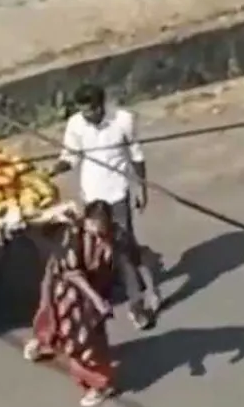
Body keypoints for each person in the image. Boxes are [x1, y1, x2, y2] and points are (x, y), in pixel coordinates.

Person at [50, 83, 161, 330]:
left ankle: (137, 304)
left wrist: (140, 188)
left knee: (123, 249)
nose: (87, 117)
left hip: (118, 193)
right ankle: (104, 296)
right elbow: (70, 157)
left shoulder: (123, 120)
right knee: (97, 249)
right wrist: (55, 169)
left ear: (101, 105)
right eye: (83, 112)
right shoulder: (76, 125)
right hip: (92, 195)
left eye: (91, 111)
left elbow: (136, 155)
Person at [23, 200, 117, 407]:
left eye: (102, 224)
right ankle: (45, 342)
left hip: (90, 295)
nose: (98, 228)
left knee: (86, 342)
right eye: (94, 223)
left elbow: (122, 263)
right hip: (68, 289)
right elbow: (74, 274)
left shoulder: (113, 237)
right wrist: (96, 299)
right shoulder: (73, 237)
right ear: (87, 221)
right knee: (52, 320)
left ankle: (99, 385)